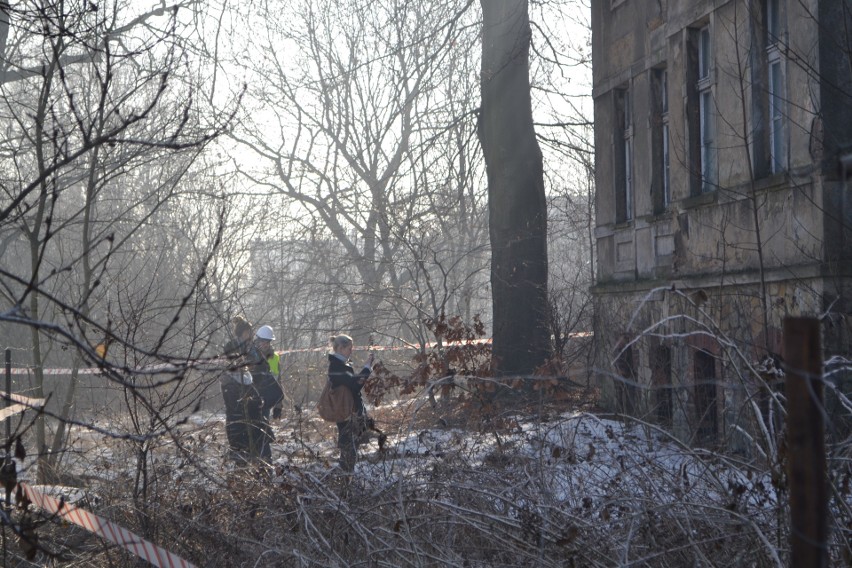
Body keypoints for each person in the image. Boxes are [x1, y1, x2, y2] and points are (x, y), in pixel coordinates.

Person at [221, 317, 271, 462]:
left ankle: (252, 452)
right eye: (248, 332)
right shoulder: (231, 346)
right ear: (243, 332)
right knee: (236, 419)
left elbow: (262, 365)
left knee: (253, 420)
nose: (250, 334)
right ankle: (238, 452)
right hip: (232, 388)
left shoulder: (252, 348)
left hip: (250, 387)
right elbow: (232, 366)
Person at [328, 334, 374, 472]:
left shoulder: (341, 365)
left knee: (350, 448)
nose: (351, 351)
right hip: (346, 413)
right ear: (341, 348)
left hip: (348, 412)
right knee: (348, 448)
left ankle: (346, 479)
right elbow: (354, 386)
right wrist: (366, 368)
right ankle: (344, 480)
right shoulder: (337, 367)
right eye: (349, 348)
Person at [250, 325, 285, 421]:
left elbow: (277, 381)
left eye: (267, 342)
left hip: (266, 400)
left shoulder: (274, 358)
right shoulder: (250, 355)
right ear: (257, 340)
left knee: (263, 427)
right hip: (251, 399)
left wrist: (278, 405)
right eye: (263, 341)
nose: (265, 344)